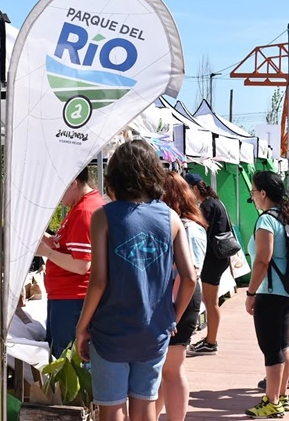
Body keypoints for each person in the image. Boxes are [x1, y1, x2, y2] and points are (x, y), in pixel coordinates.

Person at [76, 140, 197, 421]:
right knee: (145, 408)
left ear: (115, 176)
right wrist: (172, 319)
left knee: (112, 407)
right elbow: (189, 278)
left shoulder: (103, 216)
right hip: (153, 331)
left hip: (111, 331)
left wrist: (82, 327)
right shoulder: (171, 217)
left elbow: (99, 281)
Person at [36, 166, 104, 359]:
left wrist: (46, 252)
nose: (56, 197)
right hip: (70, 296)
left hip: (73, 298)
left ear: (74, 183)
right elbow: (66, 246)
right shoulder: (83, 205)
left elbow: (82, 265)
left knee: (68, 361)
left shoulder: (84, 211)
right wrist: (45, 239)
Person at [244, 171, 289, 418]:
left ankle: (271, 400)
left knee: (270, 348)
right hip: (286, 291)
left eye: (253, 192)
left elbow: (262, 260)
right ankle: (282, 396)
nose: (252, 197)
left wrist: (251, 292)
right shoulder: (285, 217)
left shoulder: (266, 220)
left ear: (263, 193)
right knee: (283, 342)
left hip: (269, 291)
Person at [156, 171, 208, 421]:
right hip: (173, 303)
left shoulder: (189, 228)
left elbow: (189, 276)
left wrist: (173, 314)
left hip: (180, 303)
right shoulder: (182, 224)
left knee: (172, 370)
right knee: (163, 370)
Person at [184, 173, 232, 356]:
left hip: (213, 259)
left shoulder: (207, 206)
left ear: (195, 188)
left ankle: (211, 342)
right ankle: (210, 340)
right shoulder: (215, 202)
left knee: (211, 303)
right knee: (212, 302)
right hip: (219, 258)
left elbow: (201, 228)